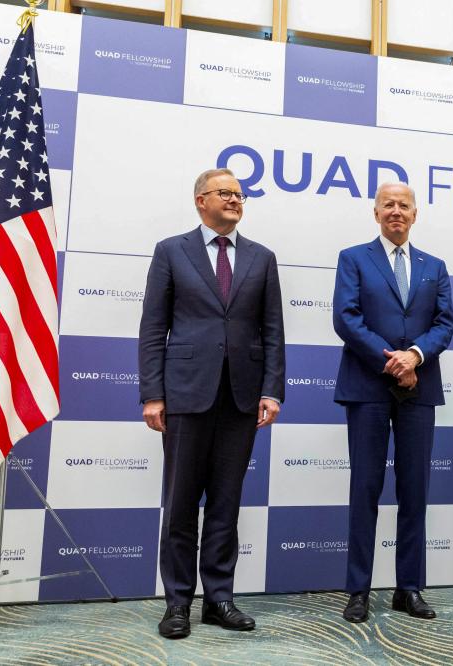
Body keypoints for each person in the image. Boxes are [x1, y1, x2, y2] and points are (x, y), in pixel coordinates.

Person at [139, 168, 285, 639]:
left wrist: (271, 389)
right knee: (181, 504)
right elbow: (152, 328)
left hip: (241, 398)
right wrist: (153, 394)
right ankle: (178, 603)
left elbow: (273, 332)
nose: (236, 201)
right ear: (201, 200)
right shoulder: (171, 251)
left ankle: (219, 598)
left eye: (240, 195)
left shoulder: (262, 258)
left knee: (226, 504)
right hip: (185, 394)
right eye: (226, 193)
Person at [332, 182, 453, 623]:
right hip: (367, 386)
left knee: (414, 491)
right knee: (364, 489)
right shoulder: (353, 258)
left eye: (404, 205)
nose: (396, 211)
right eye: (389, 205)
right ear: (376, 212)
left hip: (419, 387)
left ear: (416, 214)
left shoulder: (434, 266)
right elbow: (346, 318)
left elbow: (445, 324)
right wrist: (392, 360)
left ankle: (409, 589)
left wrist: (415, 356)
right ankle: (358, 591)